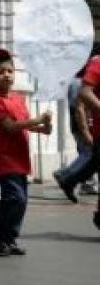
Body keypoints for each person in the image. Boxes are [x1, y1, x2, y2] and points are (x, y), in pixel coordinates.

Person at [0, 49, 52, 255]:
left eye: (10, 71)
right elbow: (11, 127)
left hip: (20, 157)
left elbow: (26, 125)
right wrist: (37, 120)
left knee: (20, 201)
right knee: (15, 198)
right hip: (4, 157)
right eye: (0, 72)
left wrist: (44, 127)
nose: (6, 75)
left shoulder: (18, 99)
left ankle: (9, 238)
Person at [54, 51, 100, 229]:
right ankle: (68, 178)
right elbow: (80, 107)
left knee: (93, 160)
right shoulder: (82, 79)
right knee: (90, 157)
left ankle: (69, 179)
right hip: (86, 127)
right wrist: (85, 131)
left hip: (88, 127)